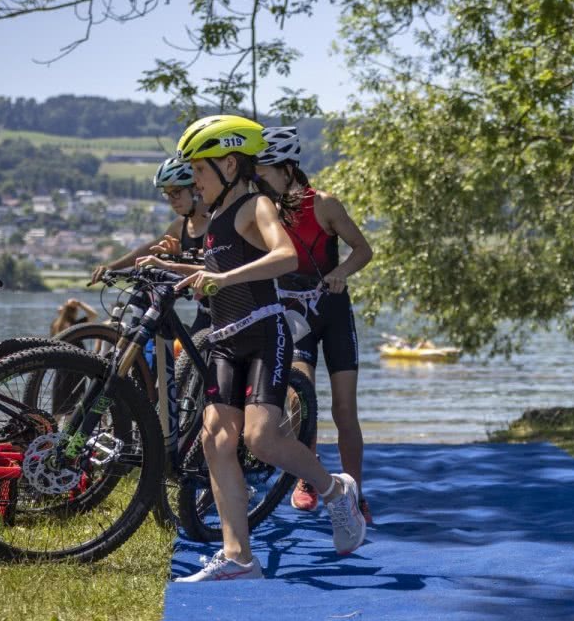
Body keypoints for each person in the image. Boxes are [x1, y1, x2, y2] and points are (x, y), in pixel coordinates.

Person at [160, 114, 365, 582]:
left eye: (199, 170)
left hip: (264, 334)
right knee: (216, 439)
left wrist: (223, 278)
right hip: (224, 341)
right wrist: (163, 269)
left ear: (230, 164)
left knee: (261, 438)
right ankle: (239, 558)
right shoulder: (213, 218)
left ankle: (335, 491)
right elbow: (210, 267)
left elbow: (285, 256)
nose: (193, 180)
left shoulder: (256, 207)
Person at [253, 125, 375, 521]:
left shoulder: (324, 204)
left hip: (333, 311)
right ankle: (310, 475)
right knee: (298, 399)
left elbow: (363, 249)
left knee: (344, 409)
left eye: (266, 169)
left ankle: (354, 493)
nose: (260, 177)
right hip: (292, 313)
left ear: (288, 168)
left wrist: (340, 271)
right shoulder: (262, 212)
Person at [91, 156, 214, 332]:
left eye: (176, 192)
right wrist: (110, 267)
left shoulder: (215, 222)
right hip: (204, 308)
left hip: (226, 308)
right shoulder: (180, 225)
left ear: (195, 188)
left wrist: (176, 260)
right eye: (167, 194)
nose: (172, 200)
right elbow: (147, 250)